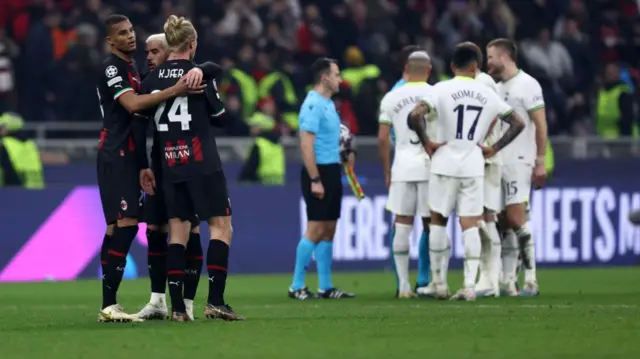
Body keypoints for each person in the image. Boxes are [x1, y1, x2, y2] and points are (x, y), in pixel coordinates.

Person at [96, 14, 203, 323]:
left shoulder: (132, 69)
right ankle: (109, 305)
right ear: (110, 41)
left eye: (131, 31)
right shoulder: (113, 68)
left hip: (133, 157)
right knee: (126, 225)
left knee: (118, 228)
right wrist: (175, 89)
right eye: (122, 33)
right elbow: (131, 105)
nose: (130, 37)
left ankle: (111, 304)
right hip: (117, 154)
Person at [138, 15, 242, 322]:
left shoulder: (152, 81)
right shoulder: (198, 77)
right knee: (222, 227)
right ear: (192, 44)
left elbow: (141, 120)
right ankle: (216, 301)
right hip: (202, 163)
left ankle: (179, 310)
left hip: (171, 164)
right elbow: (221, 116)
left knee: (177, 233)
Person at [407, 43, 525, 301]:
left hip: (443, 162)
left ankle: (438, 283)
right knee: (470, 223)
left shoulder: (440, 89)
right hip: (473, 163)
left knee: (438, 219)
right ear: (476, 67)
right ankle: (470, 285)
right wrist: (494, 148)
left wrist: (427, 142)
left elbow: (415, 116)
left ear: (452, 66)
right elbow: (518, 122)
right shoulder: (487, 93)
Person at [289, 57, 355, 300]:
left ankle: (325, 286)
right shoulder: (313, 104)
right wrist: (315, 179)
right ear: (324, 77)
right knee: (315, 229)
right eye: (337, 74)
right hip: (317, 172)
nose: (340, 79)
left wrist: (345, 152)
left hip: (331, 169)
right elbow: (306, 145)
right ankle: (296, 285)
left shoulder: (328, 104)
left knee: (329, 229)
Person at [486, 38, 548, 296]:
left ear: (504, 57)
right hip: (499, 161)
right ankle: (509, 281)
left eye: (490, 57)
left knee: (515, 217)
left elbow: (540, 124)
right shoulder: (495, 88)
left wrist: (541, 160)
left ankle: (531, 278)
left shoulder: (528, 84)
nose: (487, 62)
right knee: (502, 222)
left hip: (520, 160)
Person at [377, 51, 434, 298]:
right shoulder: (437, 94)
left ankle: (403, 286)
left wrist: (387, 171)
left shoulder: (391, 97)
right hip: (431, 167)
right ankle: (433, 281)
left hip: (401, 166)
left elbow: (382, 138)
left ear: (406, 69)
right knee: (433, 224)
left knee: (402, 224)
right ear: (429, 70)